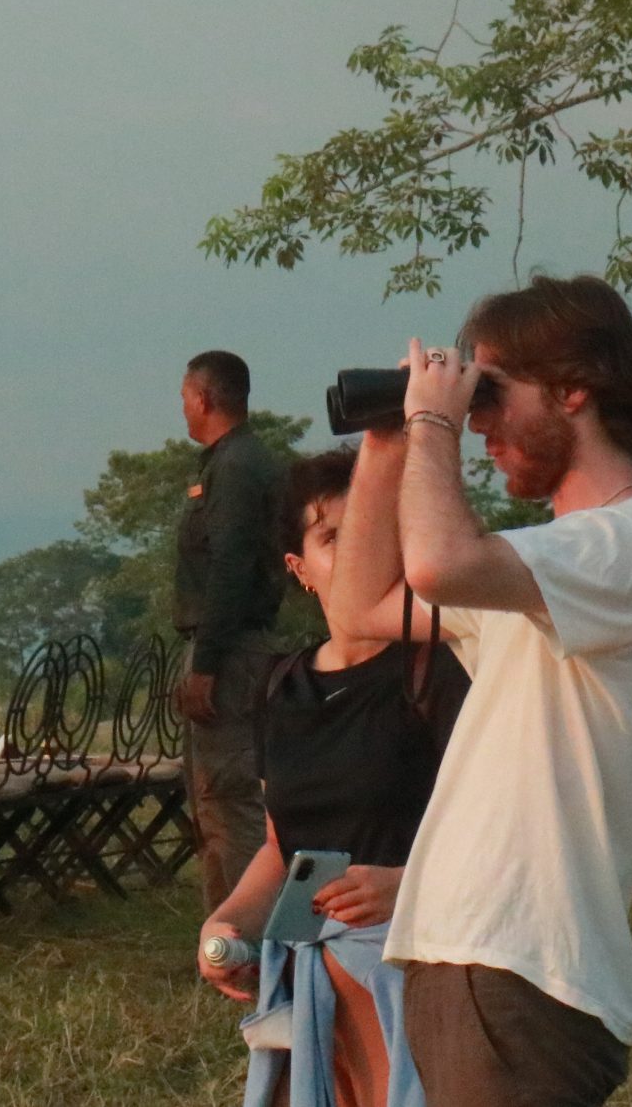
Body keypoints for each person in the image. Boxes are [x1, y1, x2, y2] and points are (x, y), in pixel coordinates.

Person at [322, 273, 632, 1107]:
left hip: (524, 965)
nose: (481, 423)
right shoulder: (547, 568)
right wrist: (389, 442)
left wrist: (431, 422)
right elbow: (358, 606)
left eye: (492, 393)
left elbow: (437, 562)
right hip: (469, 957)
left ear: (575, 388)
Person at [200, 446, 469, 1107]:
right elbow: (277, 845)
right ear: (300, 569)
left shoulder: (436, 671)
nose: (360, 550)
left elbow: (505, 829)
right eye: (333, 536)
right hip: (307, 974)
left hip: (413, 969)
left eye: (378, 529)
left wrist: (409, 885)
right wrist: (230, 920)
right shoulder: (280, 685)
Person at [174, 349, 289, 911]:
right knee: (213, 798)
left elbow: (231, 568)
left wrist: (206, 663)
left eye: (184, 397)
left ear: (204, 397)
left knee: (227, 798)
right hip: (232, 643)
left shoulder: (238, 467)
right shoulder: (232, 460)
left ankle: (243, 939)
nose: (184, 408)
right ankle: (225, 928)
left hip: (232, 647)